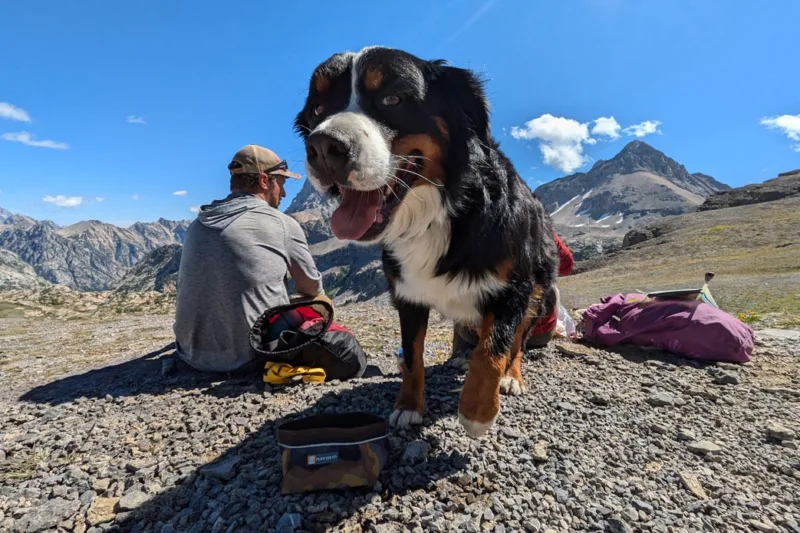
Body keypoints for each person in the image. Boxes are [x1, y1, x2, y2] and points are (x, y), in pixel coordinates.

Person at [173, 144, 326, 373]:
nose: (283, 193)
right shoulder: (281, 223)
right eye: (281, 184)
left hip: (190, 355)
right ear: (265, 181)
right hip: (252, 357)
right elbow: (311, 287)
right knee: (321, 305)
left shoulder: (197, 224)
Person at [450, 233, 574, 362]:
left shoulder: (475, 228)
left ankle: (459, 354)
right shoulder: (540, 227)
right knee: (549, 281)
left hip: (477, 336)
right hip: (538, 335)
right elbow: (566, 266)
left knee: (462, 285)